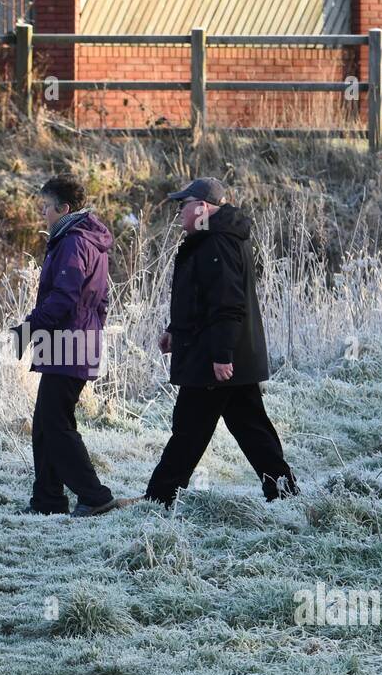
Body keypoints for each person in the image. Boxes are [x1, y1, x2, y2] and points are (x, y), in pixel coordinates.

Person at [144, 177, 298, 507]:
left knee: (189, 431)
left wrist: (222, 354)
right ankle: (284, 493)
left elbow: (227, 302)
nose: (179, 214)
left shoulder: (216, 242)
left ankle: (158, 499)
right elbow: (201, 298)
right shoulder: (213, 238)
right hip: (219, 353)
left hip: (213, 357)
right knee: (251, 428)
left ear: (202, 208)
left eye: (182, 207)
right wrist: (176, 329)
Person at [15, 173, 119, 517]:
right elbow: (99, 301)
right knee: (47, 422)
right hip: (71, 340)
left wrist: (28, 328)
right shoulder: (79, 239)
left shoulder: (74, 242)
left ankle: (94, 495)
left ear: (65, 208)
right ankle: (47, 500)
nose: (42, 214)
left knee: (55, 425)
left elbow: (63, 297)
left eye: (46, 207)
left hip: (68, 343)